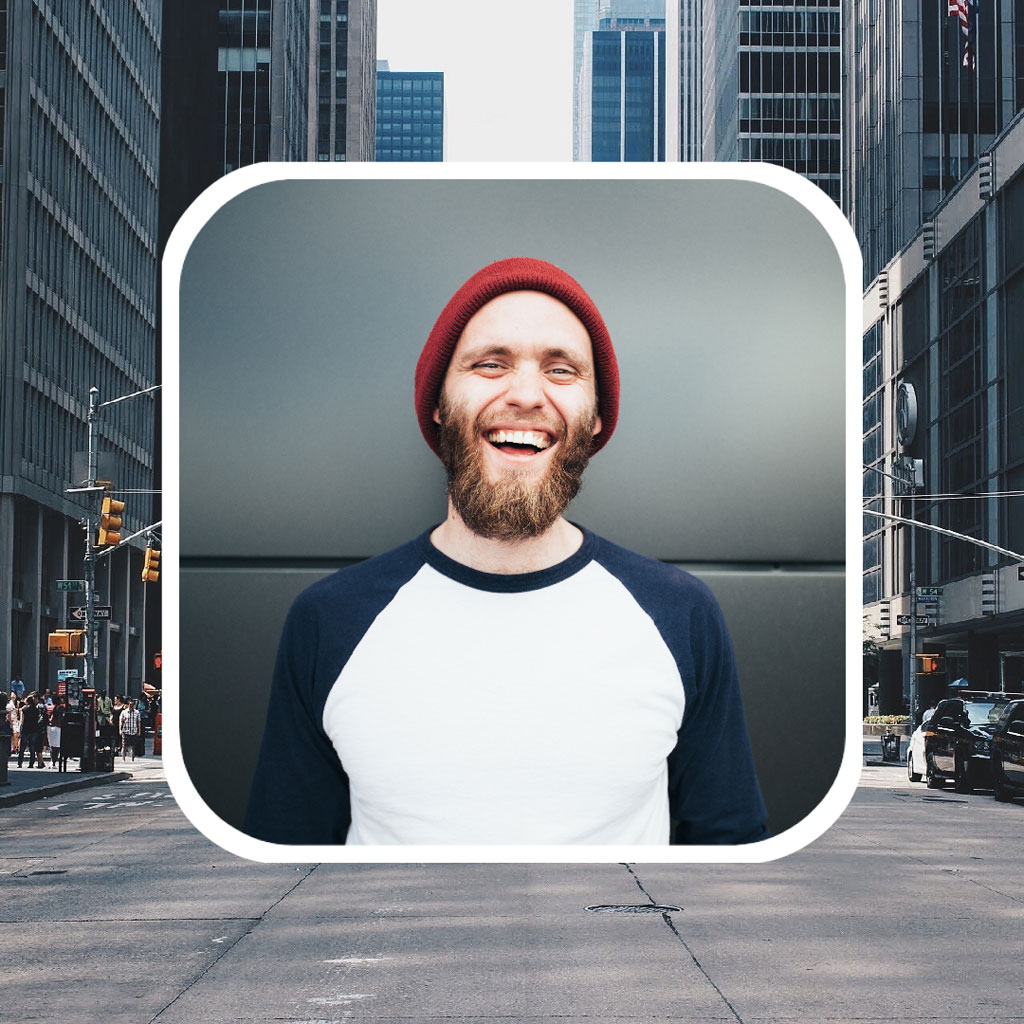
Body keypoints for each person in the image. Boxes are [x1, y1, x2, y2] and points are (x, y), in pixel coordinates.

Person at [244, 257, 768, 846]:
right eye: (490, 364)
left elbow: (730, 858)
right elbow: (285, 862)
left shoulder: (682, 616)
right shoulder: (329, 620)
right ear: (439, 404)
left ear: (595, 420)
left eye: (562, 371)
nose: (525, 395)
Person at [17, 694, 45, 769]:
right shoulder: (36, 709)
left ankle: (20, 763)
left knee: (22, 747)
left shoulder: (24, 709)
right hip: (34, 729)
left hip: (26, 729)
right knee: (32, 747)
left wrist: (20, 729)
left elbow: (21, 721)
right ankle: (31, 763)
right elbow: (38, 718)